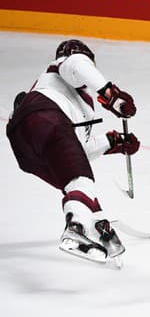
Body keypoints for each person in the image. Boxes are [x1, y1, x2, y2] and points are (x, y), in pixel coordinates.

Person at [6, 39, 140, 265]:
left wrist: (112, 141)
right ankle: (76, 227)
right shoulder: (68, 66)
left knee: (75, 180)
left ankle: (99, 226)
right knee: (81, 179)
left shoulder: (77, 103)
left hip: (26, 148)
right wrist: (111, 96)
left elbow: (76, 152)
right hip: (44, 117)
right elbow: (77, 64)